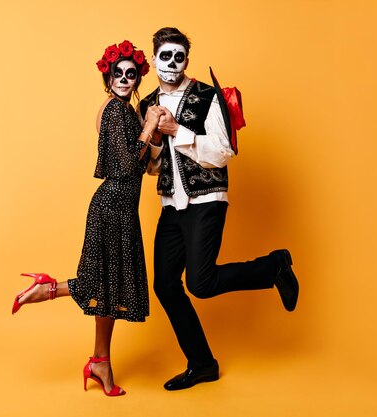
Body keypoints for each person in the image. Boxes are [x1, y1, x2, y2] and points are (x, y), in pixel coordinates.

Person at [140, 27, 300, 391]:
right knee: (165, 285)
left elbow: (222, 153)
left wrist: (177, 129)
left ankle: (274, 266)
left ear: (187, 60)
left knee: (201, 282)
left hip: (206, 200)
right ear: (153, 60)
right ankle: (202, 364)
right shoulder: (146, 103)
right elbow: (152, 167)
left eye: (179, 56)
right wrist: (151, 136)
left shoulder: (207, 96)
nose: (172, 63)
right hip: (171, 204)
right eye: (165, 56)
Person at [11, 40, 158, 397]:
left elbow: (141, 163)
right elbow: (125, 167)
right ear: (108, 76)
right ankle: (47, 289)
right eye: (117, 73)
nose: (124, 79)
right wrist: (150, 126)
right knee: (104, 286)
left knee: (106, 289)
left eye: (131, 74)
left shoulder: (123, 109)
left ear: (137, 78)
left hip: (119, 207)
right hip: (111, 207)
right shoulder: (117, 112)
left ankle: (100, 363)